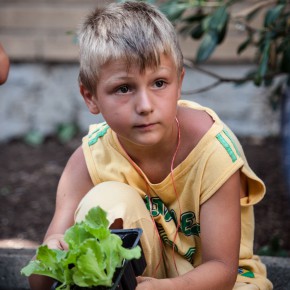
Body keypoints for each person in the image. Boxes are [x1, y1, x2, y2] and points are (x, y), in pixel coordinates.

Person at [28, 1, 273, 289]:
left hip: (218, 282)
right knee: (105, 200)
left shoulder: (211, 150)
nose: (145, 106)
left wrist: (164, 287)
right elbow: (39, 282)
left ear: (179, 82)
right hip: (138, 280)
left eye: (159, 83)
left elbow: (222, 268)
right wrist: (55, 256)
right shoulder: (88, 160)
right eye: (124, 88)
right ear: (90, 96)